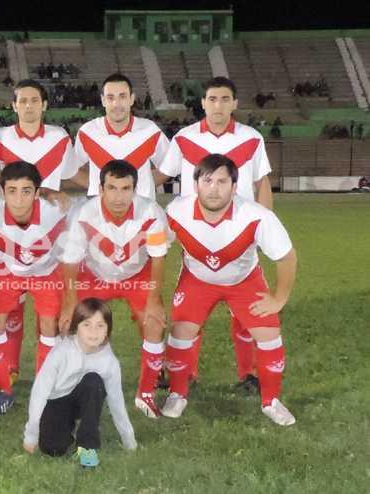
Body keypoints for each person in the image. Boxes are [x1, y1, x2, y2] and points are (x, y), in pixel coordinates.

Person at [155, 76, 274, 392]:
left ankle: (249, 374)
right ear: (203, 103)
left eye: (224, 99)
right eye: (212, 99)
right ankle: (184, 372)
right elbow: (161, 176)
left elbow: (262, 183)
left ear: (234, 103)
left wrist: (265, 227)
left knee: (244, 310)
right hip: (196, 234)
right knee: (190, 310)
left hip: (240, 234)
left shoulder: (251, 138)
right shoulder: (184, 138)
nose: (218, 105)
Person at [163, 154, 297, 426]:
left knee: (269, 334)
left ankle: (271, 401)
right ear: (195, 185)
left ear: (235, 187)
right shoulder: (175, 212)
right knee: (180, 331)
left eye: (222, 182)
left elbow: (287, 257)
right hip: (197, 280)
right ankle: (177, 393)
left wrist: (279, 298)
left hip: (244, 281)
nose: (214, 188)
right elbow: (157, 249)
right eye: (208, 181)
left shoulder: (257, 216)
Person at [59, 160, 169, 418]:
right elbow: (70, 262)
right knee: (73, 324)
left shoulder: (151, 212)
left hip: (137, 274)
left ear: (135, 189)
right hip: (96, 273)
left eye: (125, 189)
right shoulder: (84, 214)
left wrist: (153, 301)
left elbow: (158, 258)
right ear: (100, 189)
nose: (119, 197)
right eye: (112, 188)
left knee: (153, 323)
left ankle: (146, 393)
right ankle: (76, 383)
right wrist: (69, 304)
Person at [0, 79, 82, 377]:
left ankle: (48, 373)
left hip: (47, 231)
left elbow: (70, 176)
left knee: (49, 316)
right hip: (10, 230)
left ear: (44, 105)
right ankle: (9, 369)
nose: (28, 106)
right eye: (22, 101)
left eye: (34, 100)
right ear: (14, 105)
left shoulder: (59, 137)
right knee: (9, 312)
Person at [0, 161, 68, 416]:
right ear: (2, 192)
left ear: (37, 192)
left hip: (46, 273)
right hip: (8, 272)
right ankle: (4, 388)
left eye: (26, 191)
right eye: (12, 191)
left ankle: (46, 386)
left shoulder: (57, 212)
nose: (19, 199)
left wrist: (55, 192)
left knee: (50, 326)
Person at [23, 298, 137, 468]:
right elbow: (39, 393)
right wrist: (31, 435)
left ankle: (87, 446)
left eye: (100, 325)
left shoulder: (109, 361)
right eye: (87, 325)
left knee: (94, 381)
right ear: (76, 327)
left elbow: (116, 400)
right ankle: (65, 428)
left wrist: (129, 440)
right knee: (53, 449)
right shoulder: (61, 352)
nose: (93, 331)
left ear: (108, 329)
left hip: (85, 397)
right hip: (57, 400)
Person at [74, 73, 169, 201]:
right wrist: (96, 186)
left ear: (132, 99)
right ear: (103, 100)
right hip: (100, 210)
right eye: (110, 97)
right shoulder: (87, 132)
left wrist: (145, 186)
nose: (116, 104)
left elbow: (168, 168)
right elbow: (72, 170)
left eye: (122, 96)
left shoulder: (150, 130)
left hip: (141, 210)